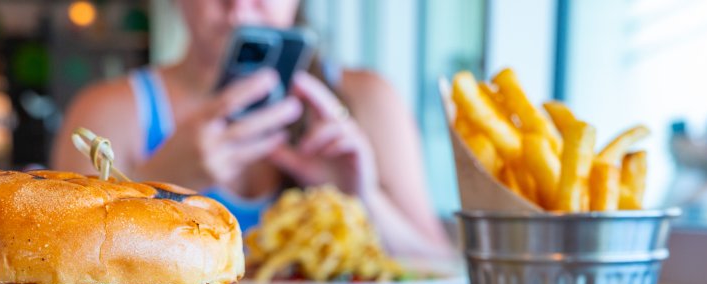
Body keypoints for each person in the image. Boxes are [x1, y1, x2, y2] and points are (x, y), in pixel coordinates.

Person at [50, 0, 451, 258]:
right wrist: (160, 184)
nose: (239, 6)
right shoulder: (110, 111)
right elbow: (58, 267)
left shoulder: (366, 99)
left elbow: (443, 272)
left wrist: (361, 197)